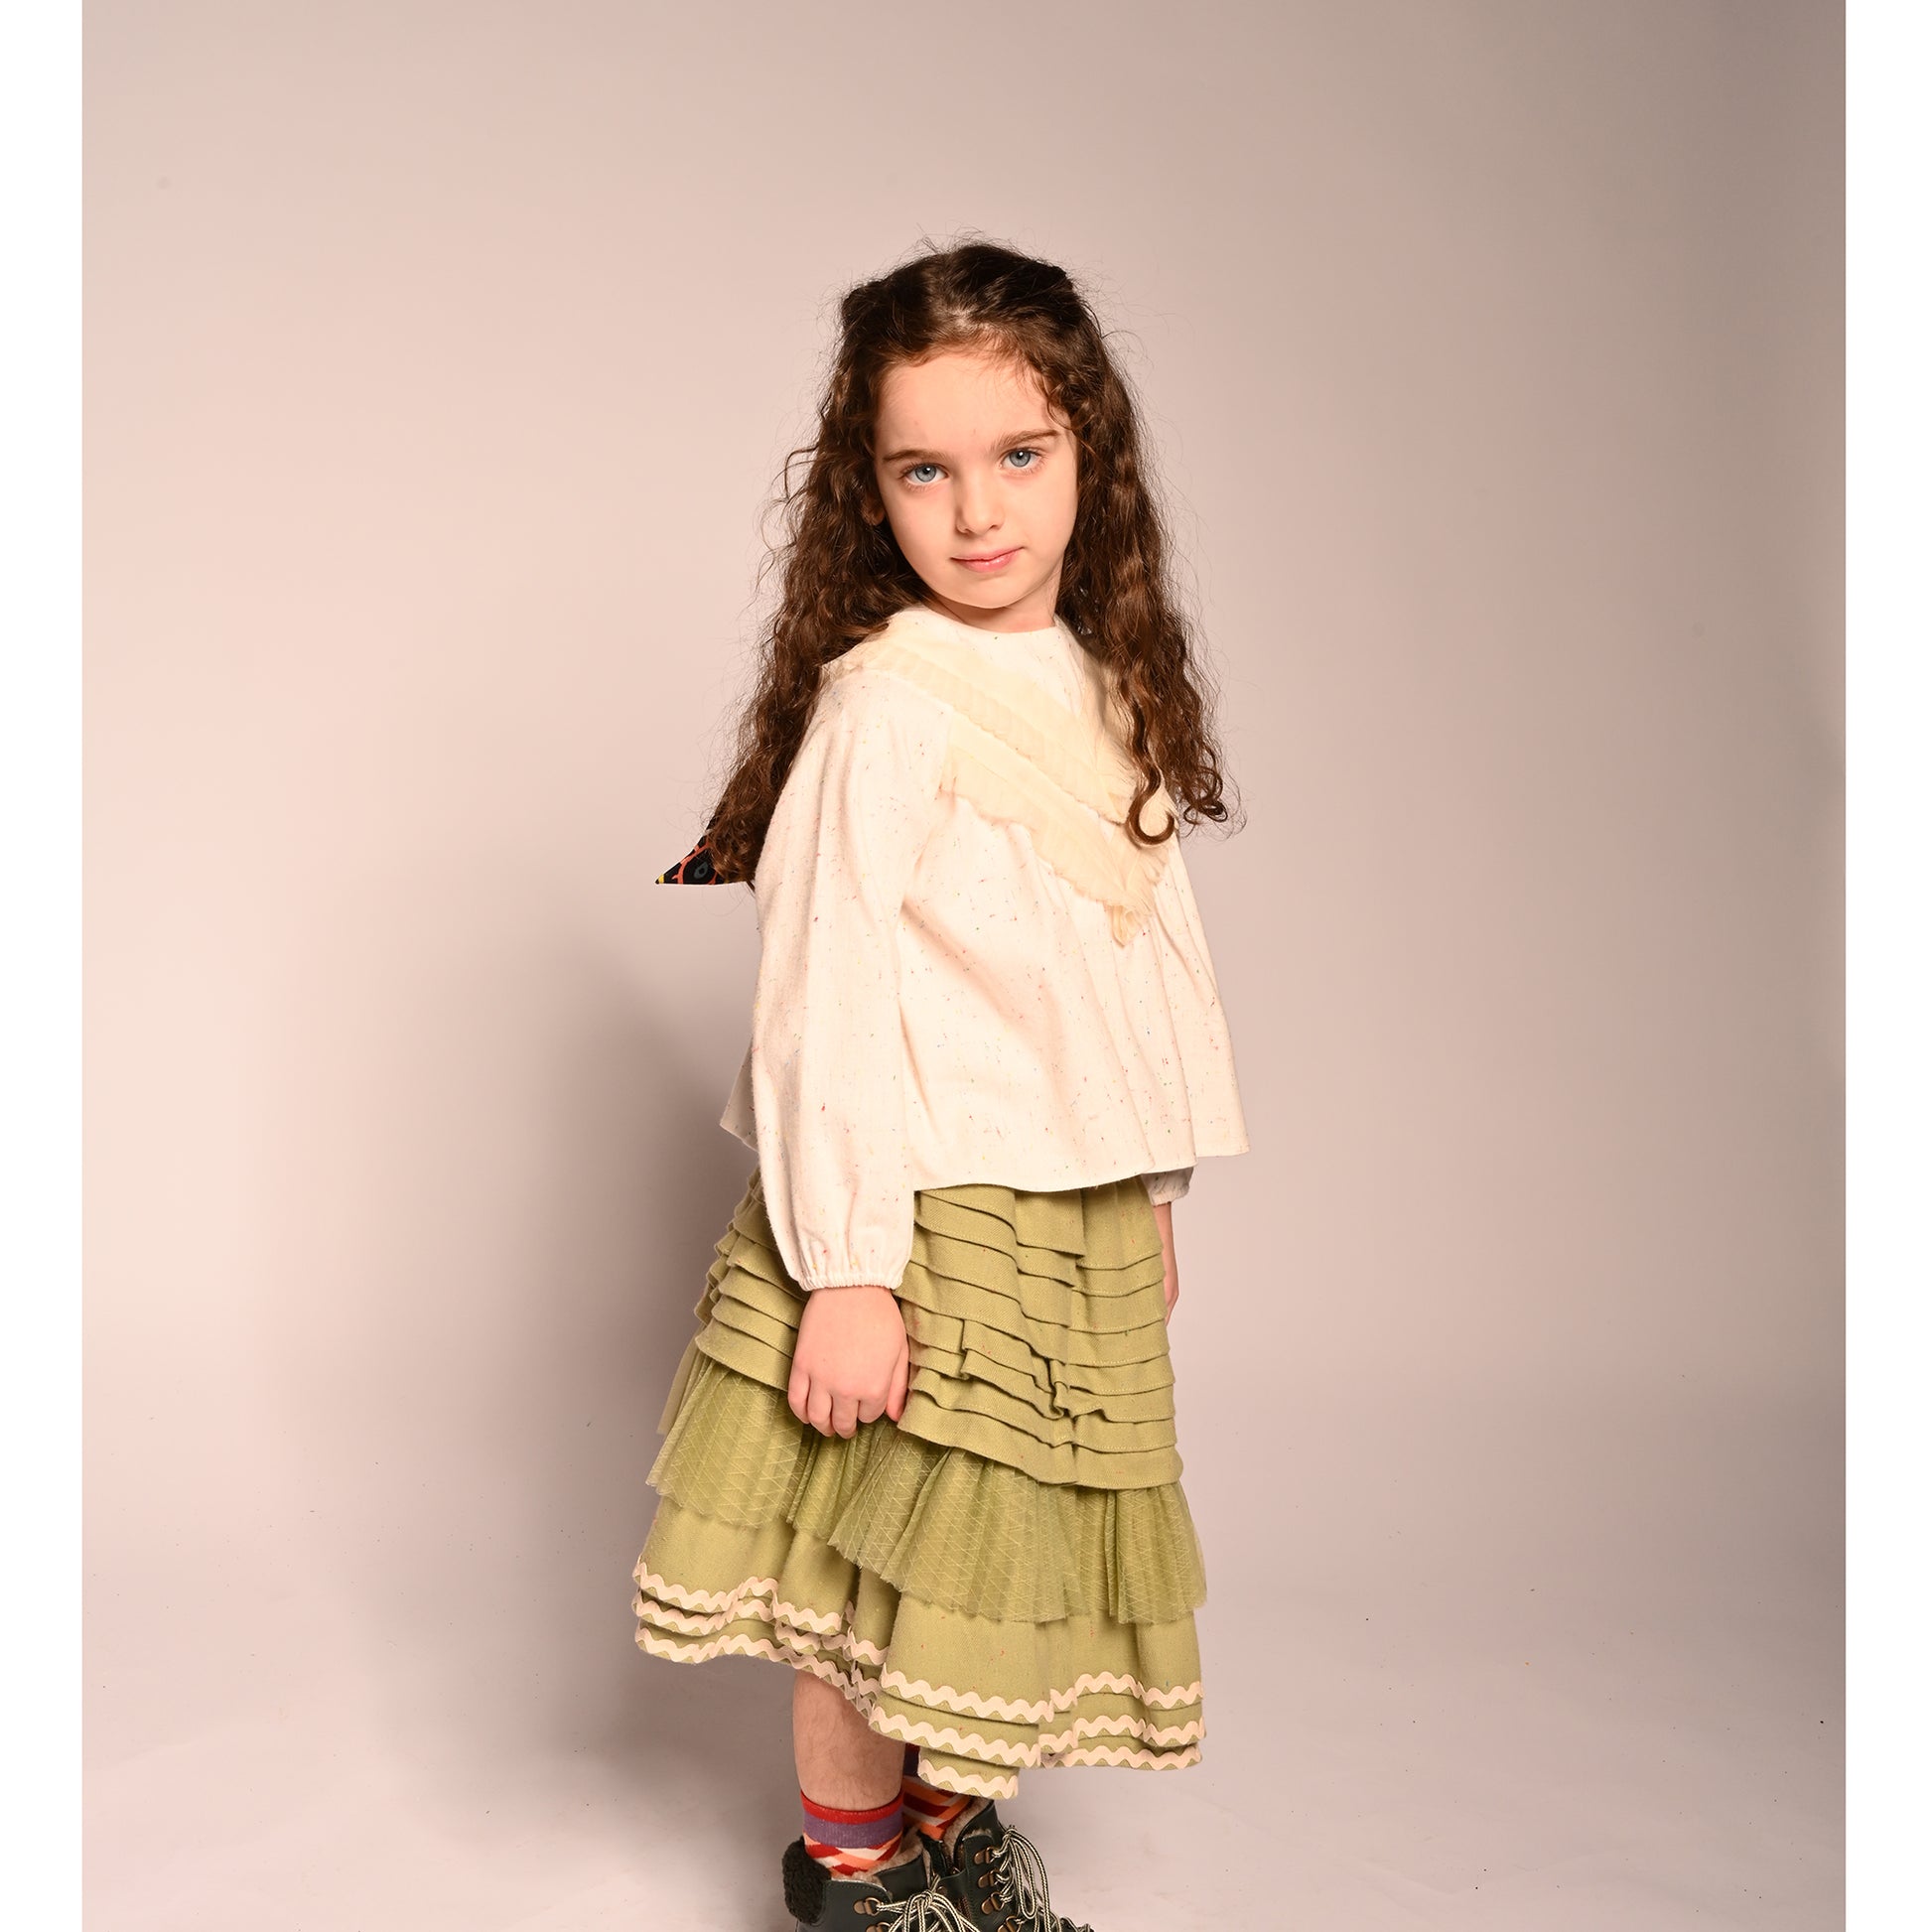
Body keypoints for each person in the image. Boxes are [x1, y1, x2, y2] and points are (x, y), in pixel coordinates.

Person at [633, 239, 1249, 1931]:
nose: (978, 512)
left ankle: (944, 1817)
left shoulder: (1107, 680)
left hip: (1070, 1205)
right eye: (925, 469)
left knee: (1010, 1569)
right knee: (867, 1572)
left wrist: (1155, 1183)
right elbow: (819, 994)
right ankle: (851, 1865)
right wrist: (846, 1264)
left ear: (1086, 458)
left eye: (1018, 458)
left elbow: (1143, 955)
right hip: (918, 1211)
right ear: (871, 491)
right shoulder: (886, 705)